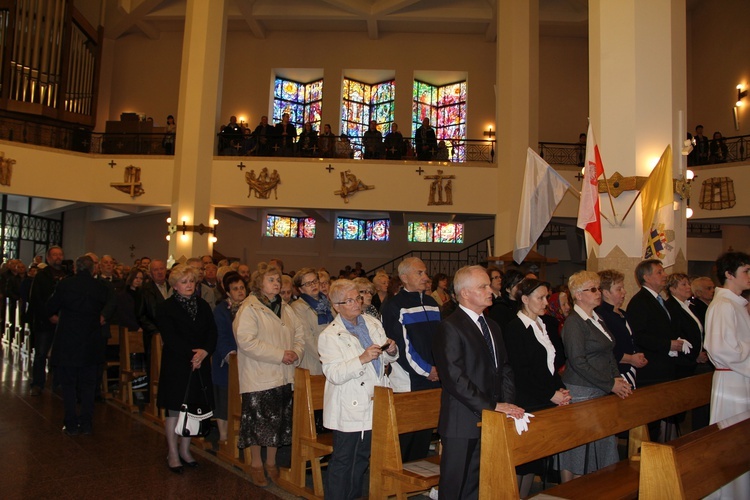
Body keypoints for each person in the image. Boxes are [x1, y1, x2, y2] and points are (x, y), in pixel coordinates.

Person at [433, 265, 524, 500]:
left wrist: (506, 404)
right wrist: (491, 406)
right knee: (455, 487)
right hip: (461, 420)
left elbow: (504, 368)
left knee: (479, 485)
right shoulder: (450, 327)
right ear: (465, 293)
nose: (491, 290)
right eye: (483, 286)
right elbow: (454, 378)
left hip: (491, 418)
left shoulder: (492, 325)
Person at [318, 279, 398, 500]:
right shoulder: (330, 335)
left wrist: (391, 349)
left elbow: (388, 358)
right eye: (350, 300)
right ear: (336, 306)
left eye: (358, 298)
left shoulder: (372, 322)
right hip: (349, 403)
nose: (356, 303)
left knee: (362, 458)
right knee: (344, 459)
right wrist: (362, 359)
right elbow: (334, 374)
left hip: (374, 398)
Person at [234, 263, 305, 487]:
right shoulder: (250, 308)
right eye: (271, 280)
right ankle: (256, 464)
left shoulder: (286, 307)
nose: (276, 284)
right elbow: (246, 341)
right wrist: (279, 354)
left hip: (284, 374)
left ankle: (271, 463)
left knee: (278, 422)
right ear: (259, 284)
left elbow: (299, 334)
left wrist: (296, 352)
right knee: (259, 423)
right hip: (259, 374)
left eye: (278, 280)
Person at [558, 271, 632, 482]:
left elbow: (609, 350)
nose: (598, 293)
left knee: (602, 444)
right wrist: (610, 383)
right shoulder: (575, 322)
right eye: (592, 289)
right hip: (582, 389)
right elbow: (578, 361)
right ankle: (570, 492)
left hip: (601, 388)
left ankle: (598, 488)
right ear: (578, 295)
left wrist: (617, 379)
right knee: (579, 449)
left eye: (598, 288)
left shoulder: (595, 318)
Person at [502, 278, 570, 496]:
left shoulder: (543, 324)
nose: (545, 303)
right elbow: (521, 372)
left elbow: (550, 365)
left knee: (535, 458)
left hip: (544, 398)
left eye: (546, 297)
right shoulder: (515, 328)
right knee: (523, 459)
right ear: (524, 299)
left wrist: (561, 389)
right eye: (540, 298)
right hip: (526, 400)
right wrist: (551, 394)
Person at [156, 264, 217, 473]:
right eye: (184, 282)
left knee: (193, 410)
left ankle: (185, 450)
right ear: (175, 286)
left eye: (192, 281)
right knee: (175, 410)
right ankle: (172, 452)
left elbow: (212, 333)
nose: (189, 285)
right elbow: (170, 338)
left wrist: (205, 352)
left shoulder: (203, 305)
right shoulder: (166, 308)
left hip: (199, 363)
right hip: (177, 365)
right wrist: (193, 355)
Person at [381, 257, 441, 462]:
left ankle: (415, 483)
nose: (426, 277)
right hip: (408, 380)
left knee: (424, 434)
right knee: (405, 437)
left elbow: (440, 342)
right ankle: (395, 485)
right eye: (419, 273)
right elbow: (401, 346)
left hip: (433, 377)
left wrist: (439, 368)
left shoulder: (432, 304)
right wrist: (428, 370)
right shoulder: (394, 305)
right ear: (404, 278)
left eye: (425, 272)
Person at [704, 251, 750, 499]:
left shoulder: (736, 304)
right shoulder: (722, 305)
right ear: (729, 275)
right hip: (731, 381)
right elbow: (721, 348)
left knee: (741, 442)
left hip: (740, 379)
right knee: (731, 442)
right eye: (746, 271)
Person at [46, 255, 109, 435]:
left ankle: (71, 423)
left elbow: (50, 307)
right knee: (89, 386)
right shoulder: (99, 287)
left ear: (75, 268)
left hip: (68, 342)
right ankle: (87, 424)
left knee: (69, 385)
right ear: (93, 270)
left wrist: (59, 319)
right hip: (91, 342)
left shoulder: (65, 284)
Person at [595, 270, 647, 389]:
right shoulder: (601, 315)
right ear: (606, 293)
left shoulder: (622, 313)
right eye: (619, 289)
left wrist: (638, 355)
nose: (624, 292)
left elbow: (631, 339)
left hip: (630, 368)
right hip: (615, 373)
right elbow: (606, 349)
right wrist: (630, 359)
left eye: (623, 288)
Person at [212, 271, 246, 443]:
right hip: (225, 362)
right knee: (224, 399)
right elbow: (221, 335)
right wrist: (231, 354)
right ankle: (224, 436)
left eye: (242, 288)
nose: (240, 292)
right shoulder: (221, 310)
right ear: (227, 292)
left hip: (246, 361)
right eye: (235, 289)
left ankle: (239, 434)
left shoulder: (250, 308)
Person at [29, 246, 67, 396]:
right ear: (48, 258)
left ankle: (57, 383)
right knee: (41, 354)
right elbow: (36, 299)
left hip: (63, 322)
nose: (58, 257)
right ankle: (38, 383)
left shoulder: (67, 275)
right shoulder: (41, 276)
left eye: (60, 254)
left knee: (59, 354)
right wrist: (49, 315)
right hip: (45, 321)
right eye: (55, 255)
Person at [290, 267, 334, 376]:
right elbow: (307, 338)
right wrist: (325, 357)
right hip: (314, 361)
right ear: (300, 289)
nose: (313, 285)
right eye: (308, 284)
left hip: (332, 356)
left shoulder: (328, 303)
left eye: (315, 281)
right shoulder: (298, 307)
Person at [115, 267, 145, 332]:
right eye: (136, 278)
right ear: (131, 278)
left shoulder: (143, 295)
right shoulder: (122, 295)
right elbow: (123, 315)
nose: (138, 280)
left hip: (142, 328)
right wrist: (136, 327)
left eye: (141, 278)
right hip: (128, 329)